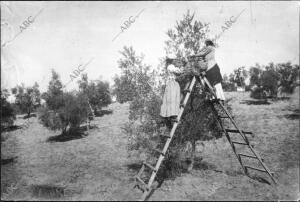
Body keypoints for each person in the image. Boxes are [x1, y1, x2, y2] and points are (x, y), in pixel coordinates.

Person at [160, 64, 181, 130]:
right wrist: (179, 69)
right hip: (171, 85)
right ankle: (172, 117)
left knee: (174, 100)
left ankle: (173, 116)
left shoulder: (172, 68)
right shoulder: (170, 67)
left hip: (173, 84)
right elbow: (177, 71)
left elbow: (178, 72)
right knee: (171, 100)